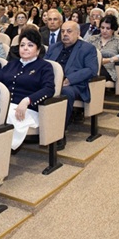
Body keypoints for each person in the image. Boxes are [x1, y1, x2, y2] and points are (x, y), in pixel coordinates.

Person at [44, 21, 98, 149]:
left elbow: (91, 70)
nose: (65, 34)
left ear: (78, 33)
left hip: (74, 85)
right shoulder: (53, 47)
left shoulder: (87, 48)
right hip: (52, 81)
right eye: (63, 31)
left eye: (69, 31)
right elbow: (44, 65)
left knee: (65, 93)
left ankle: (59, 133)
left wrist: (69, 79)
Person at [0, 28, 55, 149]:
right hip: (7, 106)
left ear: (38, 50)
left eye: (30, 45)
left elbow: (49, 89)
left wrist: (28, 100)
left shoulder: (44, 66)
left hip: (28, 110)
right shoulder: (12, 64)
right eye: (22, 45)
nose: (25, 48)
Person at [86, 15, 119, 83]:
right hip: (90, 66)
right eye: (102, 28)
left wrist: (109, 60)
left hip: (107, 69)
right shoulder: (92, 39)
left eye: (108, 28)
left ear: (113, 29)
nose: (104, 31)